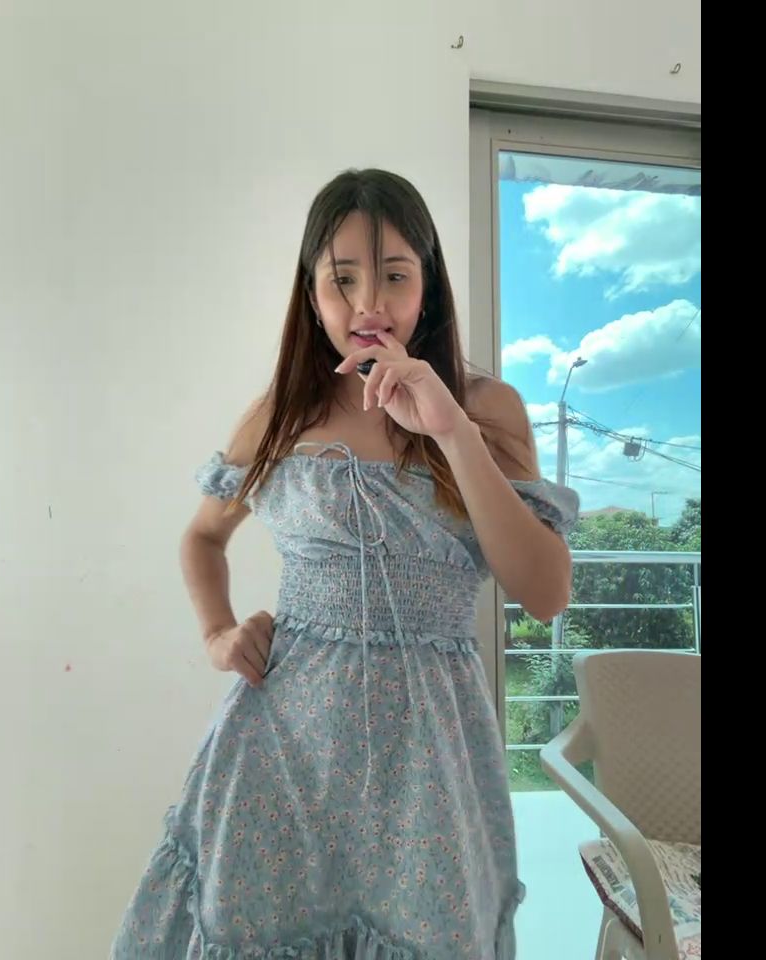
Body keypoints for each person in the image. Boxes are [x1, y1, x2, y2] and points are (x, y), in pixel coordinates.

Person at [111, 169, 579, 959]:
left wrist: (451, 430)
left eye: (395, 275)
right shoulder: (279, 414)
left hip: (431, 760)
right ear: (312, 294)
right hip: (281, 752)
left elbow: (546, 592)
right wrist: (219, 633)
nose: (370, 304)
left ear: (427, 287)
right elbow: (202, 539)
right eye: (343, 279)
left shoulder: (486, 409)